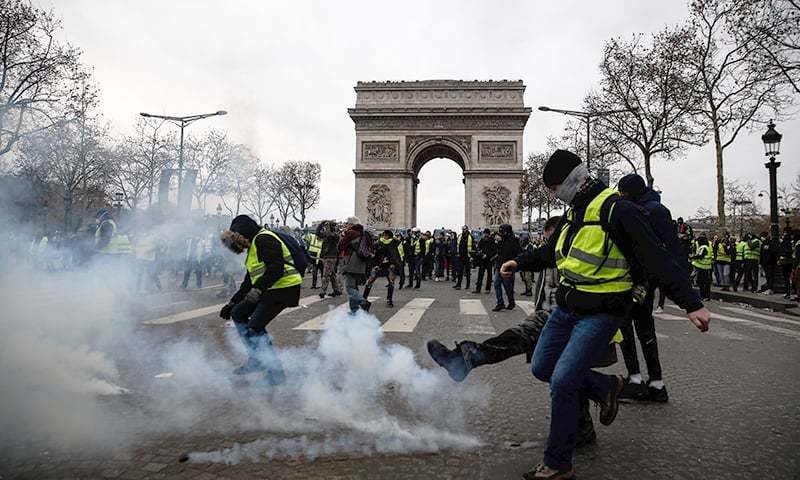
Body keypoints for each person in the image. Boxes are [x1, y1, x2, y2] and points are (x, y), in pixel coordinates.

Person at [500, 150, 710, 480]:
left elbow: (656, 257)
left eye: (556, 187)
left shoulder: (619, 209)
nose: (555, 194)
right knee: (542, 366)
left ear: (572, 180)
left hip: (602, 311)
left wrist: (691, 302)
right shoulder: (573, 213)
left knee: (563, 380)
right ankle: (605, 385)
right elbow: (553, 252)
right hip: (567, 308)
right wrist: (521, 262)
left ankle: (558, 463)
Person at [616, 173, 685, 402]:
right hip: (643, 278)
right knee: (642, 327)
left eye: (623, 194)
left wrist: (676, 284)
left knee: (629, 325)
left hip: (641, 279)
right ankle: (654, 382)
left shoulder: (650, 211)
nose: (621, 197)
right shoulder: (653, 208)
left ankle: (638, 380)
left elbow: (666, 248)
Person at [218, 215, 301, 385]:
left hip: (284, 288)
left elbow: (276, 268)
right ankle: (256, 358)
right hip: (271, 288)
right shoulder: (254, 245)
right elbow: (249, 281)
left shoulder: (264, 239)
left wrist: (258, 290)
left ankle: (275, 372)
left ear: (243, 232)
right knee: (238, 313)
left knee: (255, 326)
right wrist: (232, 303)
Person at [338, 216, 371, 313]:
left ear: (351, 224)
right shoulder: (362, 233)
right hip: (360, 262)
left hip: (351, 262)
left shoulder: (350, 233)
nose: (345, 225)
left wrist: (343, 235)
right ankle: (354, 310)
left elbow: (340, 246)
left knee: (349, 288)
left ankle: (363, 302)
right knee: (354, 286)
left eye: (347, 223)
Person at [363, 229, 401, 307]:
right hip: (378, 265)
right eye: (384, 234)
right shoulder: (378, 243)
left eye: (386, 235)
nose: (385, 236)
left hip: (389, 266)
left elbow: (395, 255)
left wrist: (393, 264)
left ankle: (389, 300)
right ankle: (364, 298)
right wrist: (375, 264)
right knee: (370, 281)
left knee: (391, 283)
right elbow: (374, 254)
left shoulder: (393, 243)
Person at [492, 224, 520, 312]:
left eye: (502, 231)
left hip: (508, 266)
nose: (501, 233)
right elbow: (499, 251)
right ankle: (500, 303)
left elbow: (510, 252)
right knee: (496, 284)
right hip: (499, 265)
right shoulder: (502, 240)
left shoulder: (513, 241)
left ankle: (511, 303)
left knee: (507, 286)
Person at [316, 220, 343, 299]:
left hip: (331, 256)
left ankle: (323, 291)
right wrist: (321, 224)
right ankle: (336, 290)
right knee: (331, 274)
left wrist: (326, 225)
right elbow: (317, 233)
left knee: (326, 274)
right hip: (328, 256)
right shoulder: (329, 234)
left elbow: (329, 235)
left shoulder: (335, 235)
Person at [690, 235, 713, 301]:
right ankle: (704, 296)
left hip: (703, 267)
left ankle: (704, 296)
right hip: (705, 267)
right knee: (703, 282)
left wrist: (692, 257)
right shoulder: (706, 247)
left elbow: (700, 256)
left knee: (703, 282)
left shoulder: (703, 247)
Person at [473, 228, 495, 293]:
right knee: (480, 274)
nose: (485, 235)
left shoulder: (492, 240)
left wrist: (487, 255)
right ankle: (478, 289)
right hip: (482, 259)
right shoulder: (482, 240)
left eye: (486, 233)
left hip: (489, 260)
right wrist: (480, 253)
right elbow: (478, 248)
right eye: (485, 233)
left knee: (489, 275)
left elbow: (494, 251)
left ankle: (488, 289)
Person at [453, 225, 473, 290]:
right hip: (460, 256)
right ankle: (458, 285)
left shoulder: (470, 237)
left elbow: (471, 247)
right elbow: (458, 245)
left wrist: (470, 256)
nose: (463, 230)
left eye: (464, 229)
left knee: (467, 272)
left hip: (467, 256)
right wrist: (458, 253)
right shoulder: (460, 236)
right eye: (463, 229)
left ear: (467, 229)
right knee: (460, 271)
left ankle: (468, 285)